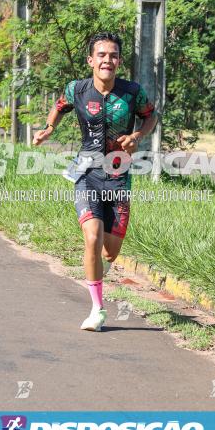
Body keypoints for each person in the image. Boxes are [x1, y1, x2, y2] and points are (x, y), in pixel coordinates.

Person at [33, 32, 157, 332]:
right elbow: (59, 107)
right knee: (92, 237)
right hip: (87, 174)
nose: (107, 60)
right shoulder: (77, 89)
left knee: (109, 251)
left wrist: (137, 136)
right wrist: (49, 128)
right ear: (91, 60)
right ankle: (97, 309)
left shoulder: (132, 92)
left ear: (119, 61)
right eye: (101, 55)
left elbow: (151, 116)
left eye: (113, 55)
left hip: (119, 178)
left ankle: (99, 268)